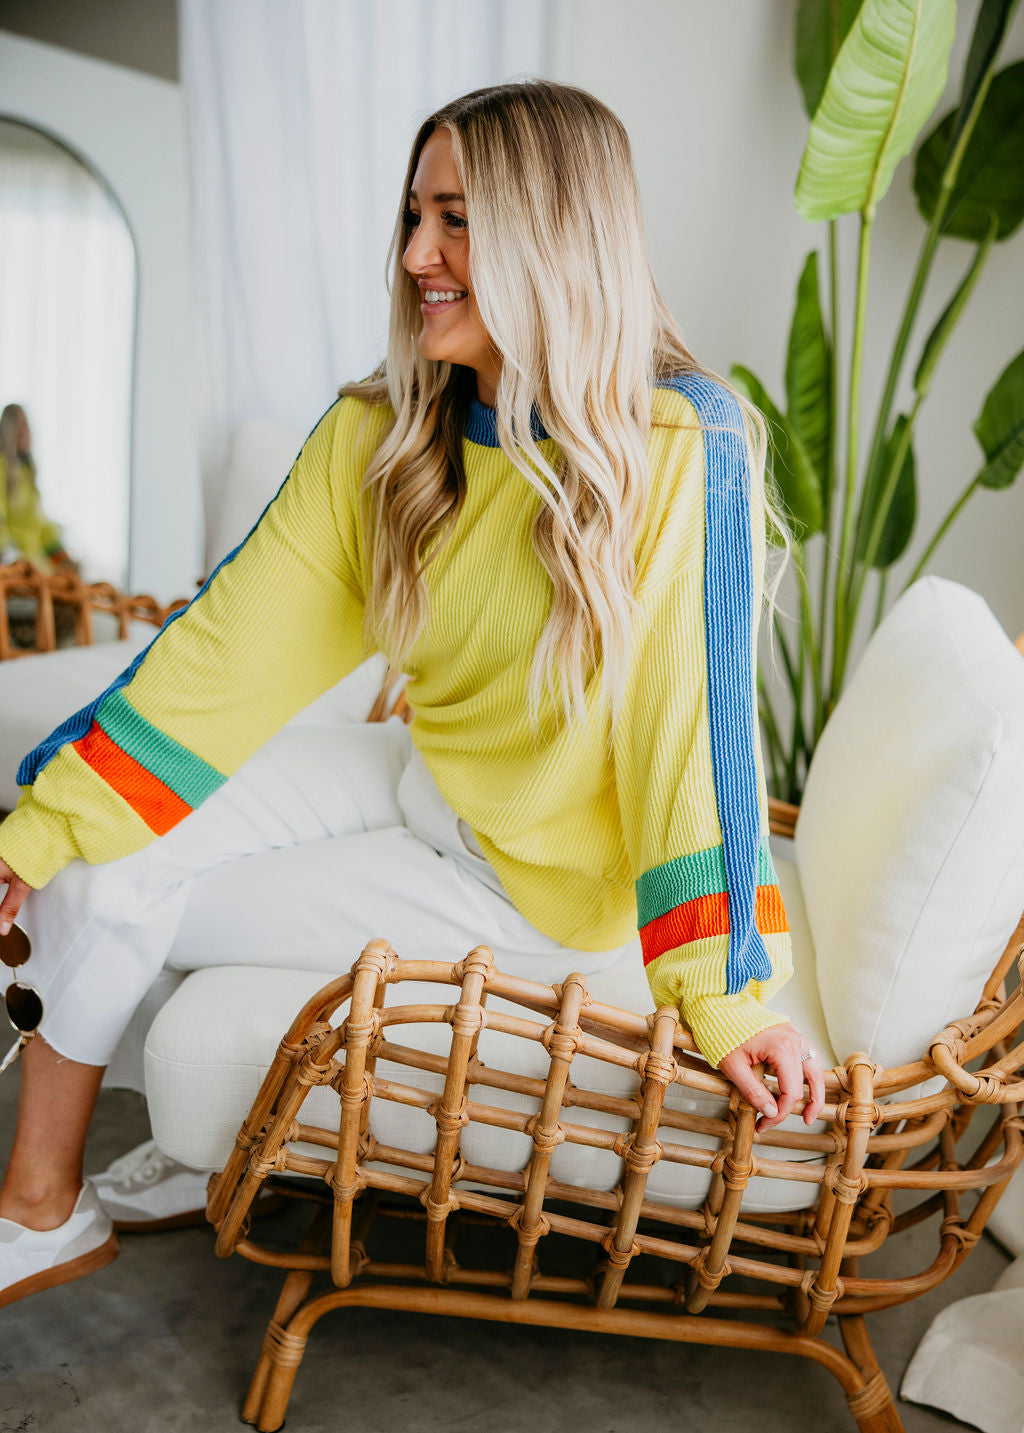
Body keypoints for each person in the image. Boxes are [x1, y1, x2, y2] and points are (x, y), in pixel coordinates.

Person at [0, 79, 825, 1308]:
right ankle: (65, 1200)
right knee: (85, 844)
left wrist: (726, 998)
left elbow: (692, 740)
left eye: (456, 221)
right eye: (411, 217)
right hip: (421, 779)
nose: (415, 257)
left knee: (115, 880)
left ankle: (35, 1206)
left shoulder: (677, 446)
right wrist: (41, 822)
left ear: (552, 234)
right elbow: (221, 654)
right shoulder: (387, 432)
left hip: (533, 885)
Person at [0, 404, 70, 572]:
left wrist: (61, 557)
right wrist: (8, 554)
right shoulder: (3, 466)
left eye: (26, 425)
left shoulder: (28, 471)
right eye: (18, 425)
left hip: (36, 563)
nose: (24, 431)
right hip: (15, 564)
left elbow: (40, 523)